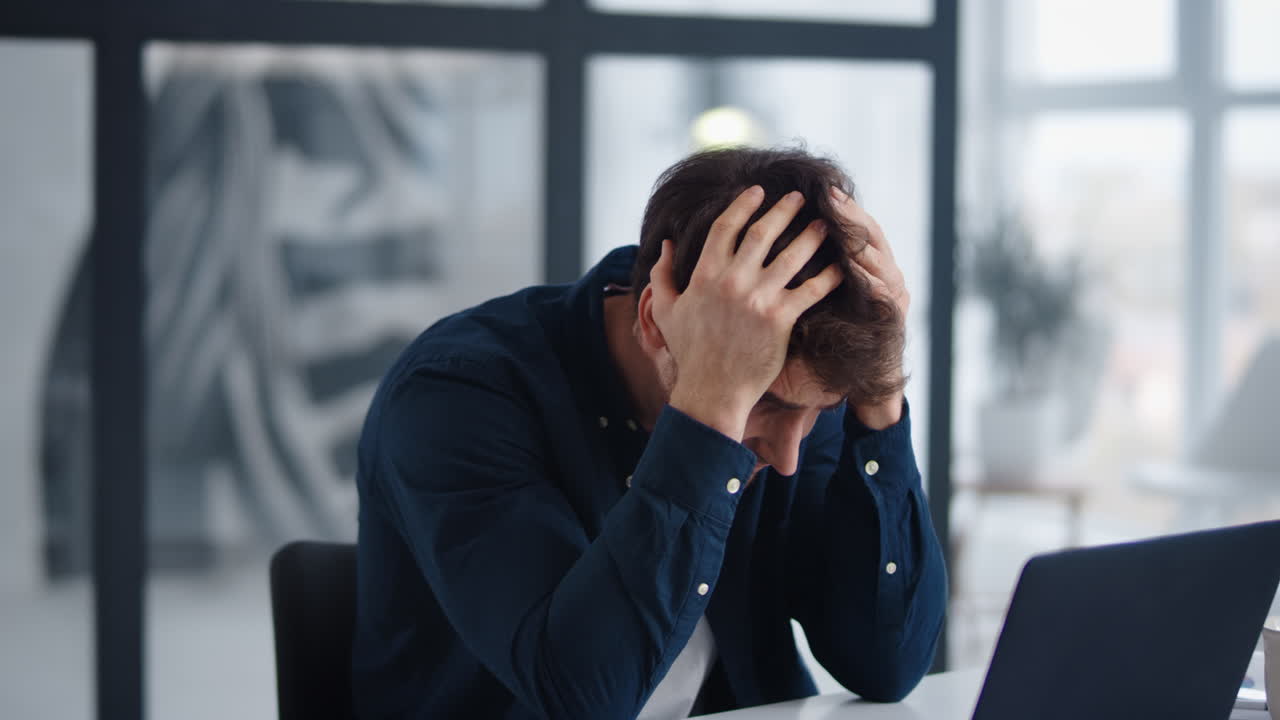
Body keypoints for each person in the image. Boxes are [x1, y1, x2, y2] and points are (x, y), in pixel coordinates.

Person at [351, 147, 947, 719]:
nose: (789, 456)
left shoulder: (796, 384)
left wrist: (879, 401)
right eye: (760, 402)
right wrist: (710, 408)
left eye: (820, 410)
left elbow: (886, 665)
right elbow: (585, 696)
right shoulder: (457, 397)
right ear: (655, 323)